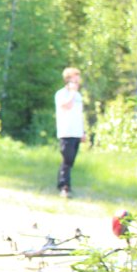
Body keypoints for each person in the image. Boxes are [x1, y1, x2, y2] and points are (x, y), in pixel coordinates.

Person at [54, 67, 84, 198]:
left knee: (70, 162)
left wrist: (83, 131)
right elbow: (66, 106)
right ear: (68, 80)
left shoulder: (78, 96)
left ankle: (66, 184)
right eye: (74, 80)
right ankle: (64, 187)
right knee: (67, 160)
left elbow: (79, 114)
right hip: (66, 132)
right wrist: (71, 93)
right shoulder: (61, 94)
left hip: (76, 132)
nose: (77, 83)